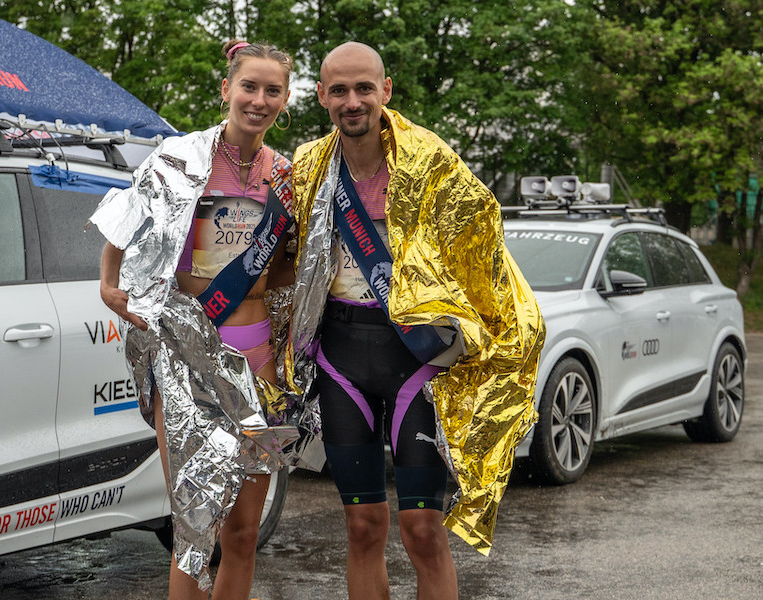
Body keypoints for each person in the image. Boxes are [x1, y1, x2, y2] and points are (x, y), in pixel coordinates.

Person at [284, 42, 545, 599]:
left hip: (417, 357)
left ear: (386, 90)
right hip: (341, 358)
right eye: (339, 91)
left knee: (423, 530)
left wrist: (491, 337)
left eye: (364, 88)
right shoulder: (308, 166)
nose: (352, 102)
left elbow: (483, 253)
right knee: (362, 525)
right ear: (322, 96)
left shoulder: (431, 160)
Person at [91, 39, 295, 599]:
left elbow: (288, 266)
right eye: (249, 86)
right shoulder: (179, 157)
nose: (258, 100)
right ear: (227, 89)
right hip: (185, 359)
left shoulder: (288, 176)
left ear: (284, 100)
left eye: (272, 90)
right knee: (194, 528)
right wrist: (109, 283)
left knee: (243, 534)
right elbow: (127, 216)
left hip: (258, 365)